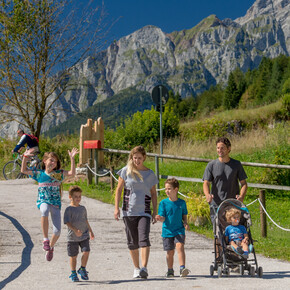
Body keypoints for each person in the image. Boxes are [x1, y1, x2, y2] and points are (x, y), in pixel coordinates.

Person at [21, 148, 78, 261]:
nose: (53, 163)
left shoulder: (58, 174)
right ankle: (45, 239)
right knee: (44, 210)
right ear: (44, 161)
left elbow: (72, 173)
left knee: (57, 231)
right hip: (43, 201)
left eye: (55, 161)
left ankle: (50, 247)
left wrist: (72, 159)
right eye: (51, 160)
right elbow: (23, 170)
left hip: (55, 204)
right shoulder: (39, 174)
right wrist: (25, 157)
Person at [114, 146, 158, 279]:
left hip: (144, 211)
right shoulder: (125, 171)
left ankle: (144, 268)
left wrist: (155, 210)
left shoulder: (150, 174)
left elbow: (154, 194)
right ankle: (136, 268)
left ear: (144, 158)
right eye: (135, 158)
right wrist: (116, 208)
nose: (137, 160)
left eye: (140, 158)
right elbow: (119, 190)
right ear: (131, 158)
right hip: (129, 211)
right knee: (132, 241)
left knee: (144, 238)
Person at [202, 137, 248, 224]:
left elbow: (244, 184)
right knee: (217, 231)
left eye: (222, 148)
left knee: (232, 231)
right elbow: (206, 183)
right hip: (216, 205)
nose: (219, 150)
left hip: (233, 204)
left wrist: (241, 196)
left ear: (229, 148)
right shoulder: (211, 165)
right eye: (218, 148)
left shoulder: (236, 164)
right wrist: (207, 195)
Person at [155, 178, 190, 278]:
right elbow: (163, 217)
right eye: (166, 189)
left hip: (179, 230)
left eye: (169, 189)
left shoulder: (182, 203)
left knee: (180, 247)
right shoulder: (163, 203)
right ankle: (170, 270)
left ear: (176, 190)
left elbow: (184, 215)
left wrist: (186, 223)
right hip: (167, 231)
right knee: (170, 252)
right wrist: (159, 218)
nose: (167, 191)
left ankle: (182, 268)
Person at [64, 185, 95, 282]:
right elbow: (67, 222)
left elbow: (85, 220)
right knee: (73, 256)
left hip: (84, 235)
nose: (78, 199)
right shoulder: (68, 209)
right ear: (70, 197)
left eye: (79, 196)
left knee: (86, 252)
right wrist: (75, 230)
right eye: (75, 196)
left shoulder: (83, 208)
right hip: (72, 237)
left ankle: (82, 269)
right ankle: (73, 273)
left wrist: (91, 231)